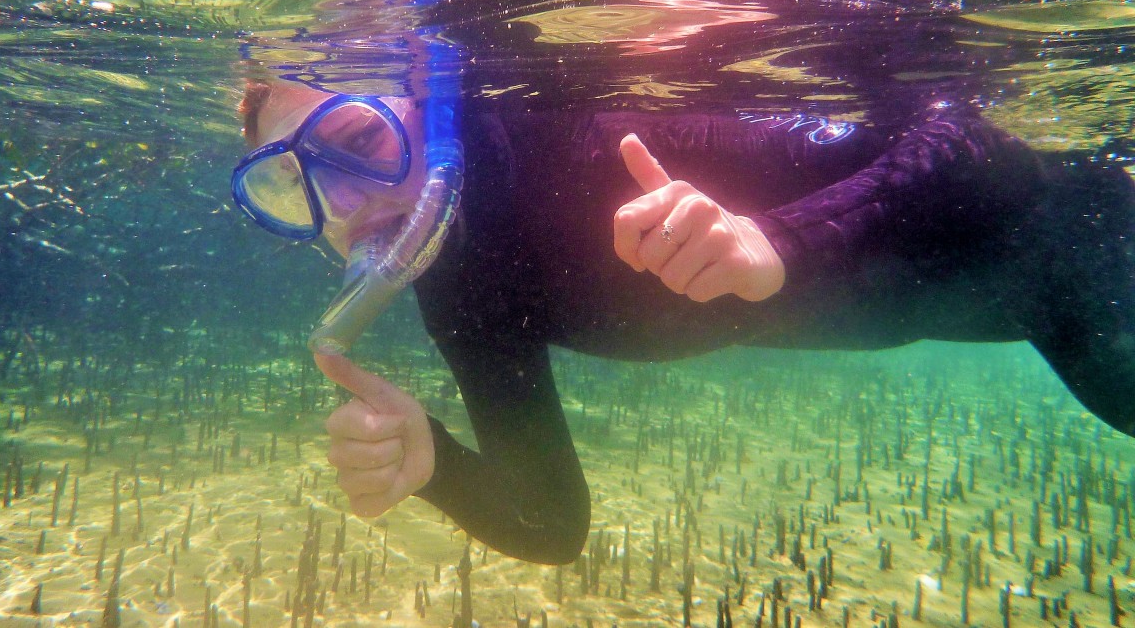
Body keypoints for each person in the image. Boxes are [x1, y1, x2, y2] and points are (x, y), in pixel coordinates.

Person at [236, 76, 1135, 564]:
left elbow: (981, 146)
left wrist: (777, 241)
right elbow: (552, 526)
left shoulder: (588, 134)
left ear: (425, 100)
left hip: (1089, 246)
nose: (347, 204)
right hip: (1051, 323)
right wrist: (437, 465)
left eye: (358, 140)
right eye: (291, 185)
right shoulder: (459, 281)